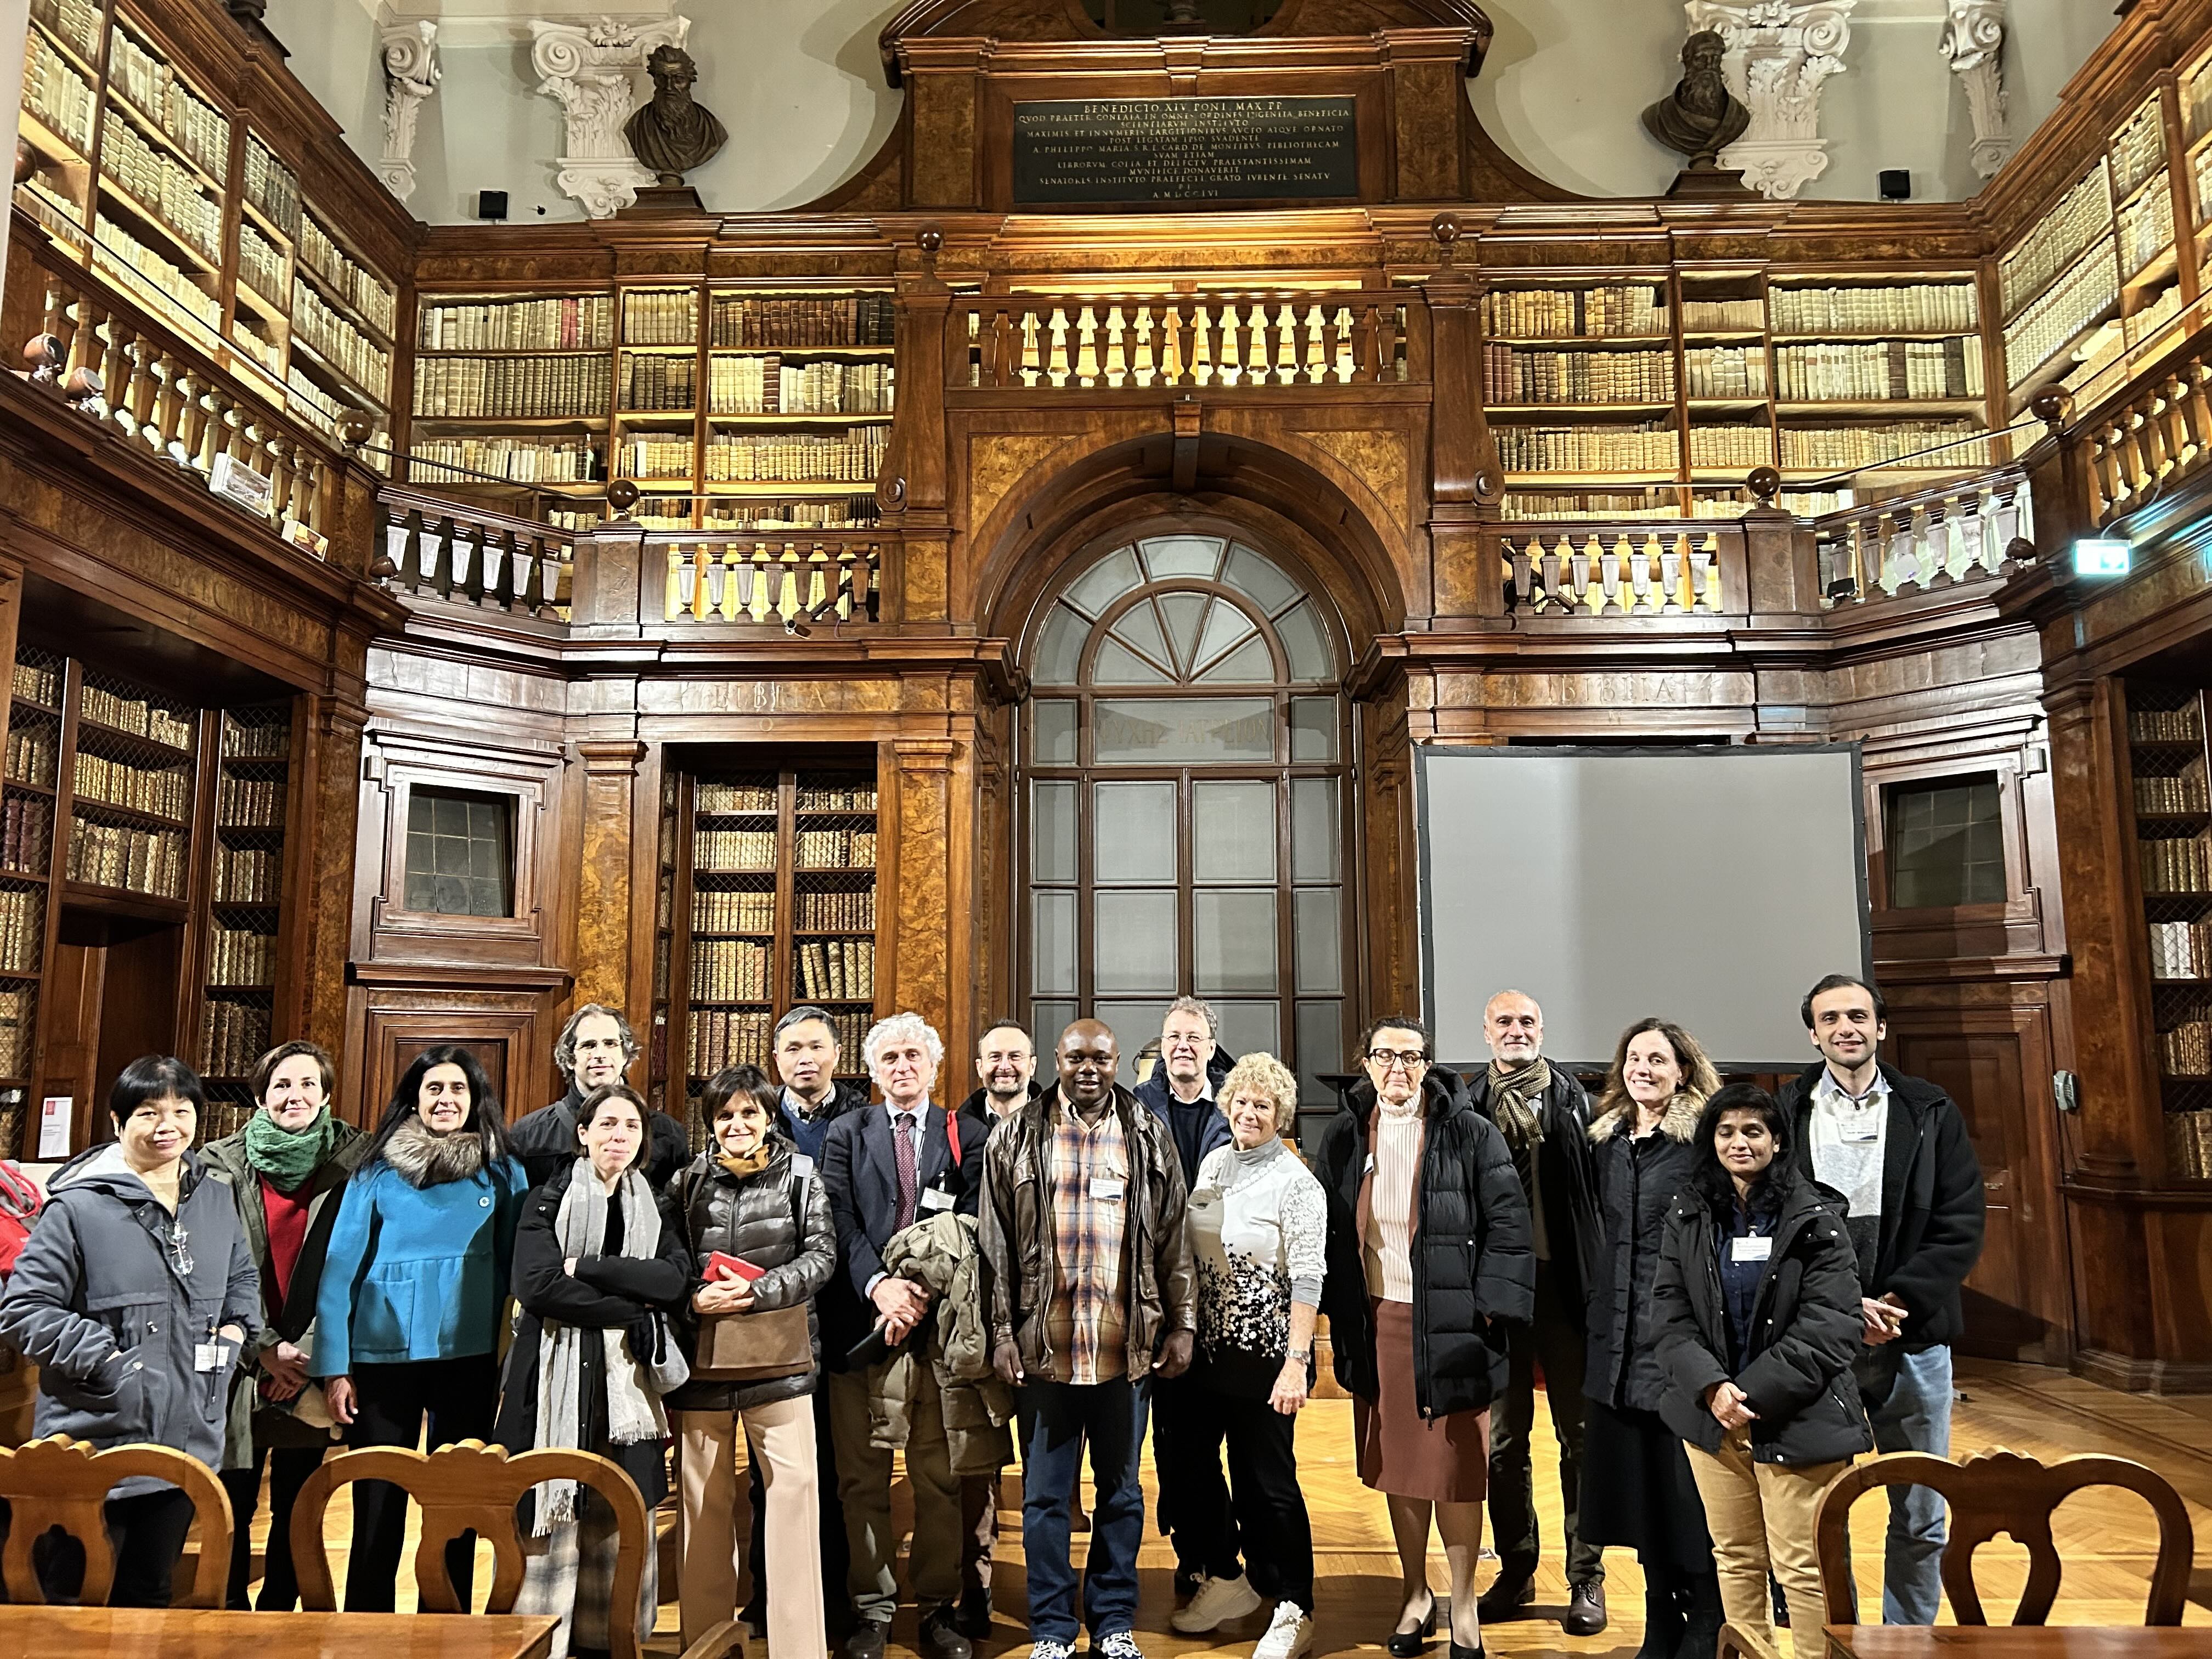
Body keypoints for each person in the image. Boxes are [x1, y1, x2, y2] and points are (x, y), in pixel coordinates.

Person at [0, 1056, 258, 1607]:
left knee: (151, 1595)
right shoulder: (77, 1207)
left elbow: (241, 1276)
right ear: (118, 1122)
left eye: (181, 1110)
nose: (168, 1125)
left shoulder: (215, 1197)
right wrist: (110, 1362)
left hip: (188, 1442)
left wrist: (236, 1332)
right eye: (149, 1112)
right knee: (69, 1602)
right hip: (92, 1443)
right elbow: (24, 1309)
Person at [1312, 1015, 1533, 1659]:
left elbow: (1509, 1227)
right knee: (1400, 1469)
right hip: (1378, 1323)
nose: (1399, 1069)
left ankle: (1462, 1602)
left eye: (1412, 1057)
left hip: (1454, 1326)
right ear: (1368, 1063)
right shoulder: (1348, 1135)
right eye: (1385, 1056)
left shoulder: (1469, 1132)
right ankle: (1415, 1594)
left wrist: (1489, 1313)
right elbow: (1327, 1228)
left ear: (1429, 1064)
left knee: (1458, 1471)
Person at [980, 1018, 1198, 1659]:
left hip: (1124, 1349)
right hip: (1043, 1349)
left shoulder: (1149, 1135)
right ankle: (1051, 1625)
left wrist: (1182, 1322)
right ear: (1057, 1059)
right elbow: (995, 1247)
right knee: (1045, 1498)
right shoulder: (1016, 1138)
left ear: (1117, 1061)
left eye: (1100, 1058)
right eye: (1076, 1057)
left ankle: (1112, 1619)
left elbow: (1174, 1240)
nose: (1088, 1069)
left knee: (1122, 1493)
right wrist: (1000, 1332)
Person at [1778, 974, 1984, 1626]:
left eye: (1858, 1016)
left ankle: (1907, 1640)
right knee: (1817, 1512)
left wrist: (1892, 1302)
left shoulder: (1930, 1109)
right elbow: (1772, 1225)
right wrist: (1839, 1309)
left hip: (1911, 1334)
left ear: (1881, 1027)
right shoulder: (1785, 1114)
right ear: (1813, 1034)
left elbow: (1961, 1224)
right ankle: (1835, 1635)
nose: (1846, 1028)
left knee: (1922, 1512)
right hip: (1817, 1339)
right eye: (1831, 1018)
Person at [1652, 1084, 1872, 1659]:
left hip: (1798, 1416)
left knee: (1802, 1567)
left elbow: (1832, 1326)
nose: (1739, 1142)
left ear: (1777, 1140)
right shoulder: (1690, 1214)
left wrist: (1745, 1393)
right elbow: (1669, 1313)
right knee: (1736, 1558)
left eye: (1753, 1130)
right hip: (1711, 1419)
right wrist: (1711, 1387)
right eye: (1726, 1132)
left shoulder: (1816, 1217)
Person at [313, 1044, 529, 1612]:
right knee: (377, 1505)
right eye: (434, 1088)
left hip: (471, 1359)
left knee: (456, 1508)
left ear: (475, 1099)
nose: (446, 1099)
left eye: (458, 1089)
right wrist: (335, 1368)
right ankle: (366, 1627)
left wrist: (513, 1366)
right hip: (383, 1362)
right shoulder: (374, 1171)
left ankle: (449, 1623)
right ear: (414, 1097)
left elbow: (515, 1274)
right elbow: (339, 1272)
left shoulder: (506, 1172)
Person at [821, 1013, 992, 1659]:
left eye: (913, 1056)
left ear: (933, 1064)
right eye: (889, 1057)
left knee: (938, 1481)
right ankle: (872, 1611)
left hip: (935, 1333)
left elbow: (972, 1224)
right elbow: (836, 1217)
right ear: (872, 1069)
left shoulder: (966, 1135)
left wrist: (916, 1290)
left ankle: (938, 1610)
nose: (901, 1067)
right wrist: (879, 1288)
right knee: (861, 1481)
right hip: (858, 1329)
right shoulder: (847, 1132)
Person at [500, 1084, 691, 1658]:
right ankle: (542, 1645)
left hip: (625, 1389)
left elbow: (673, 1280)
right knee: (551, 1522)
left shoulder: (655, 1206)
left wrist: (586, 1267)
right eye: (606, 1125)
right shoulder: (546, 1199)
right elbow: (536, 1286)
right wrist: (630, 1308)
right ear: (582, 1134)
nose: (618, 1136)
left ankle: (612, 1640)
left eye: (630, 1127)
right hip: (552, 1383)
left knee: (620, 1515)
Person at [665, 1065, 837, 1658]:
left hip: (782, 1362)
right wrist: (694, 1295)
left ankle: (800, 1648)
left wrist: (757, 1293)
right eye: (725, 1115)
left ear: (769, 1116)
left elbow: (821, 1257)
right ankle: (707, 1645)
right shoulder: (685, 1182)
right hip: (702, 1365)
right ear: (710, 1123)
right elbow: (668, 1264)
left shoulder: (801, 1175)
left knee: (793, 1504)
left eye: (748, 1113)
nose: (737, 1125)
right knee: (701, 1511)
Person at [202, 1040, 366, 1611]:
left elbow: (365, 1266)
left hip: (314, 1360)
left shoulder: (358, 1163)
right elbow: (206, 1267)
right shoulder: (216, 1165)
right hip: (240, 1358)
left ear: (325, 1095)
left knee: (298, 1502)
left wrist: (308, 1354)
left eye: (306, 1085)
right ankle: (226, 1620)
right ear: (260, 1096)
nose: (293, 1095)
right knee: (232, 1496)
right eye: (280, 1085)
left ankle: (280, 1615)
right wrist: (264, 1349)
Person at [1579, 1019, 1725, 1659]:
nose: (1643, 1068)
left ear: (1683, 1071)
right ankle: (1660, 1616)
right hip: (1615, 1345)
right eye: (1634, 1058)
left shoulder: (1702, 1145)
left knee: (1688, 1494)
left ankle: (1707, 1620)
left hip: (1680, 1344)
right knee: (1638, 1495)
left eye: (1658, 1059)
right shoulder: (1605, 1145)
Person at [1172, 1052, 1325, 1659]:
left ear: (1280, 1114)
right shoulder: (1213, 1165)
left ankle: (1295, 1603)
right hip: (1205, 1353)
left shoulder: (1297, 1182)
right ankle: (1228, 1579)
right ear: (1227, 1106)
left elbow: (1309, 1277)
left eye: (1263, 1105)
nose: (1250, 1113)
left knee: (1268, 1483)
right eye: (1242, 1102)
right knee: (1190, 1469)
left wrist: (1298, 1361)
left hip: (1267, 1357)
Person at [1465, 991, 1607, 1635]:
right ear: (1486, 1032)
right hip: (1497, 1296)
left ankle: (1587, 1577)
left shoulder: (1577, 1101)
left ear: (1542, 1030)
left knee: (1578, 1439)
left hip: (1565, 1292)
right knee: (1503, 1444)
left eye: (1526, 1022)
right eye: (1504, 1022)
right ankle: (1518, 1569)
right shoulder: (1466, 1104)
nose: (1515, 1031)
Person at [759, 1003, 867, 1635]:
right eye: (793, 1049)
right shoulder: (754, 1115)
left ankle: (839, 1596)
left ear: (835, 1054)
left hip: (842, 1309)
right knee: (772, 1464)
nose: (805, 1059)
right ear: (778, 1061)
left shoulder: (862, 1118)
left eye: (816, 1047)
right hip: (774, 1309)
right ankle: (767, 1594)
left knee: (835, 1459)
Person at [1130, 997, 1236, 1609]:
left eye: (1194, 1037)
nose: (1183, 1047)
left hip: (1226, 1297)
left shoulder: (1235, 1103)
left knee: (1234, 1441)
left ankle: (1235, 1553)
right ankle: (1197, 1554)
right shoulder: (1139, 1107)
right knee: (1177, 1442)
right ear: (1162, 1046)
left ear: (1209, 1045)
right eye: (1174, 1037)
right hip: (1163, 1299)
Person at [952, 1016, 1042, 1636]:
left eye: (1015, 1056)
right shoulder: (952, 1131)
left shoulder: (1063, 1123)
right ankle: (975, 1587)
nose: (1004, 1066)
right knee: (976, 1460)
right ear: (978, 1065)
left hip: (1044, 1317)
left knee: (1046, 1461)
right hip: (975, 1317)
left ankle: (1047, 1592)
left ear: (1033, 1065)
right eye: (993, 1058)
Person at [511, 1005, 690, 1190]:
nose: (600, 1055)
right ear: (571, 1059)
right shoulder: (529, 1135)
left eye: (610, 1044)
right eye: (589, 1045)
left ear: (625, 1055)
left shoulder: (668, 1133)